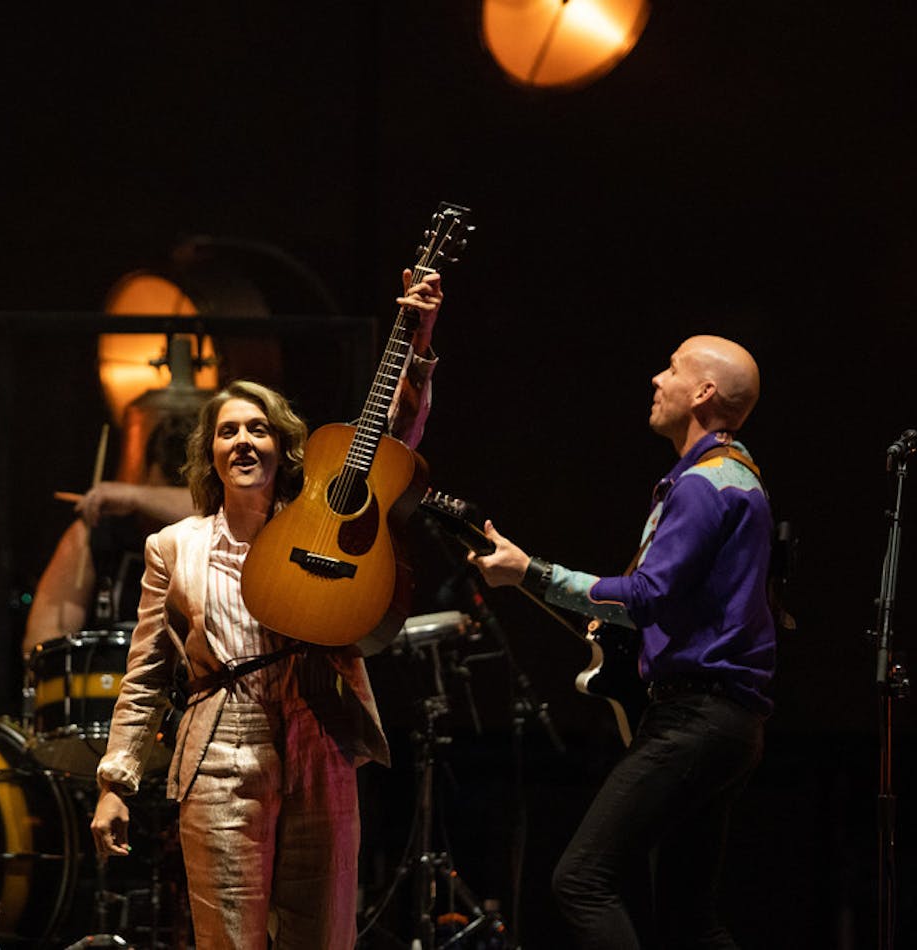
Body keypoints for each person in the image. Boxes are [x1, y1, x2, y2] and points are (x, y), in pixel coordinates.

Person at [89, 270, 443, 949]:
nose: (244, 440)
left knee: (325, 937)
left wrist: (418, 342)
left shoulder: (323, 530)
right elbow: (145, 676)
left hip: (320, 735)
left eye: (258, 428)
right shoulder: (173, 547)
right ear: (211, 453)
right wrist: (117, 782)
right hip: (220, 742)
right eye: (227, 431)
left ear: (284, 449)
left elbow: (394, 441)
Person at [469, 335, 775, 949]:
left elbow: (644, 597)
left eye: (672, 368)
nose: (656, 378)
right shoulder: (734, 479)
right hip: (730, 723)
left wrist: (531, 572)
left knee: (581, 880)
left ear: (703, 392)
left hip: (695, 719)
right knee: (691, 919)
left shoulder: (704, 486)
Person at [23, 412, 199, 652]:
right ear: (146, 472)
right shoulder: (95, 535)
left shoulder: (222, 530)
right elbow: (41, 643)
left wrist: (136, 496)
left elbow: (213, 511)